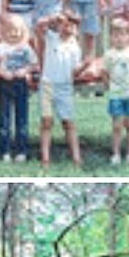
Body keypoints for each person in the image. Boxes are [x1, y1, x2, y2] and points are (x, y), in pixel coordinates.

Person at [39, 11, 90, 168]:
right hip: (48, 84)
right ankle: (45, 158)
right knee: (47, 121)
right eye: (65, 24)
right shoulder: (52, 38)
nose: (67, 28)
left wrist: (83, 67)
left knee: (68, 122)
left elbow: (74, 72)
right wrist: (54, 18)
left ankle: (76, 157)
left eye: (72, 25)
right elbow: (40, 25)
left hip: (65, 87)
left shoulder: (75, 48)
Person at [100, 17, 129, 165]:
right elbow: (104, 72)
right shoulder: (109, 54)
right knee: (117, 125)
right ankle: (116, 153)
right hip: (116, 94)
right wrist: (109, 86)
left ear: (128, 36)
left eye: (123, 35)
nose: (119, 38)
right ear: (111, 37)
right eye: (115, 35)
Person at [0, 14, 38, 163]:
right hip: (5, 83)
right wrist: (2, 72)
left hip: (20, 83)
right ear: (3, 31)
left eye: (17, 30)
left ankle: (22, 150)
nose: (14, 33)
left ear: (23, 31)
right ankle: (5, 150)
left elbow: (34, 64)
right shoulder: (0, 48)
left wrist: (25, 71)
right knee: (4, 118)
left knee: (22, 118)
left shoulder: (26, 48)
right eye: (10, 30)